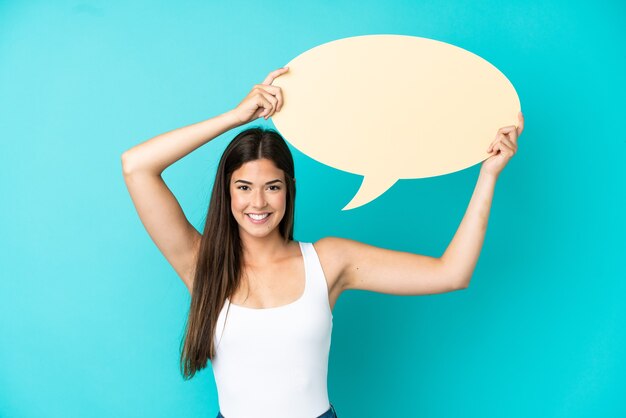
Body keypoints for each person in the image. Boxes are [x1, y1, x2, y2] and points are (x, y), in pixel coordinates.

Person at [121, 67, 524, 418]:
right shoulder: (201, 264)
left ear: (289, 190)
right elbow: (136, 166)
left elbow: (452, 273)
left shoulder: (329, 260)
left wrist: (488, 176)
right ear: (226, 193)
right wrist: (234, 117)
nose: (257, 202)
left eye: (272, 187)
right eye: (243, 187)